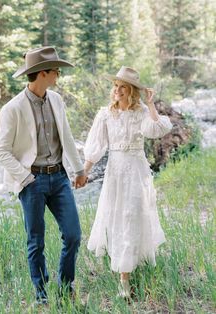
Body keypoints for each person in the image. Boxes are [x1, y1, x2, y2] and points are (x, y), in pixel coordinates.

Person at [0, 46, 87, 305]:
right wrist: (25, 179)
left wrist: (78, 169)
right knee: (36, 242)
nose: (59, 74)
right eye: (56, 70)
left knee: (73, 235)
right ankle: (41, 296)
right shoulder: (12, 109)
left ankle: (66, 290)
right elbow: (1, 150)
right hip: (31, 181)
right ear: (42, 73)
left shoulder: (56, 100)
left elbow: (66, 137)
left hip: (59, 178)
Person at [83, 66, 172, 298]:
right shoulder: (105, 114)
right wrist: (83, 173)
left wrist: (151, 104)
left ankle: (126, 277)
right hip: (114, 173)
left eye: (123, 87)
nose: (117, 90)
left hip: (137, 171)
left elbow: (159, 129)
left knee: (133, 216)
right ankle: (124, 267)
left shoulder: (141, 112)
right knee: (116, 217)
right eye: (115, 86)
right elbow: (96, 147)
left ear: (131, 91)